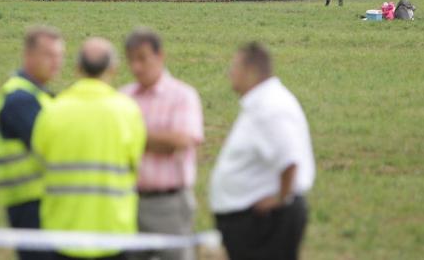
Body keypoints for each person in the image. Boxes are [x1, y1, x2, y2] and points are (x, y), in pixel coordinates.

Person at [33, 38, 146, 260]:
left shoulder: (52, 110)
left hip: (62, 231)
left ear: (77, 68)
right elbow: (136, 162)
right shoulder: (128, 111)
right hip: (114, 231)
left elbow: (39, 159)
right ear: (113, 69)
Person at [210, 43, 315, 260]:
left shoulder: (271, 107)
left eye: (235, 67)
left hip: (266, 223)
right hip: (255, 221)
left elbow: (290, 160)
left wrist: (280, 198)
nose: (230, 73)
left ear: (250, 72)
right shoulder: (260, 103)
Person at [121, 29, 203, 260]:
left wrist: (132, 137)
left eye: (142, 58)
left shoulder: (182, 96)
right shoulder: (124, 97)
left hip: (169, 203)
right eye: (131, 60)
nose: (136, 67)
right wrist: (157, 140)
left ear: (160, 56)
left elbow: (180, 141)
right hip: (128, 201)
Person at [0, 26, 64, 260]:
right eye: (49, 55)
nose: (56, 62)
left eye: (59, 56)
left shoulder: (39, 96)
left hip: (44, 200)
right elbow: (52, 147)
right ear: (28, 56)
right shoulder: (19, 99)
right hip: (30, 203)